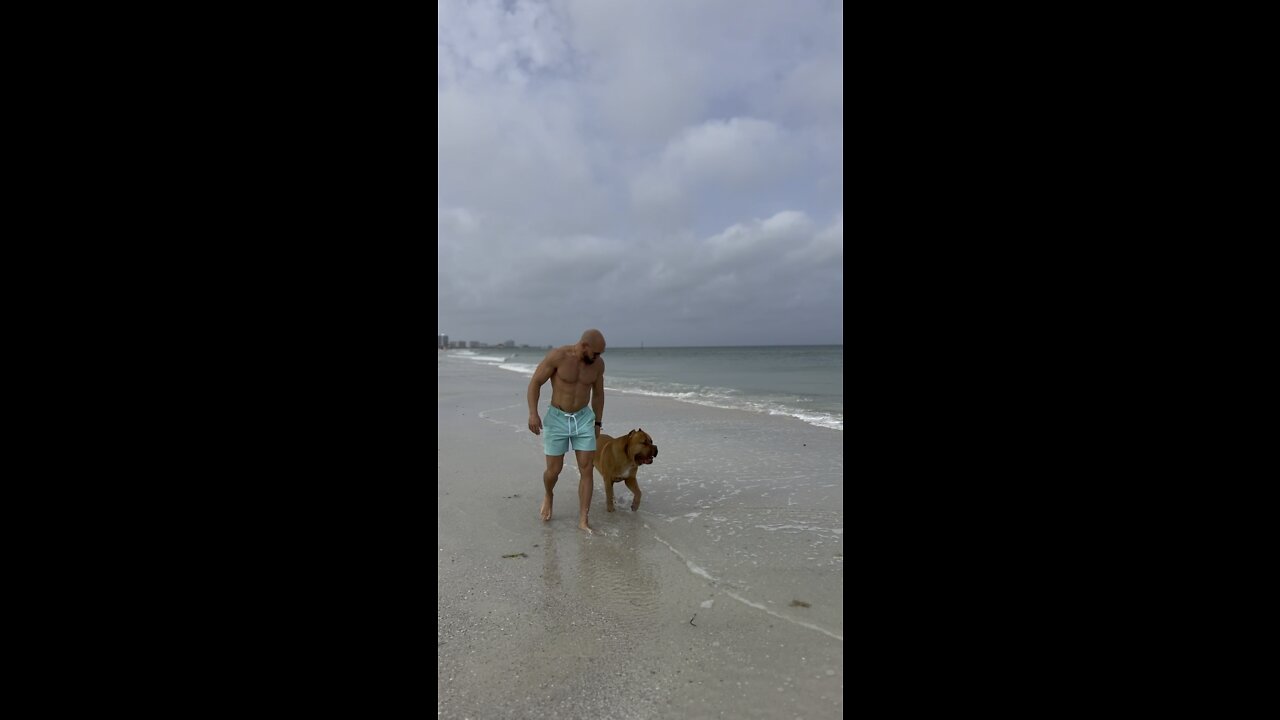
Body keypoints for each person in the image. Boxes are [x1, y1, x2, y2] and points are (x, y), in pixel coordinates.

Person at [527, 329, 606, 533]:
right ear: (584, 345)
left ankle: (583, 519)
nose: (598, 358)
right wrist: (533, 414)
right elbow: (535, 382)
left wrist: (597, 422)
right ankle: (549, 494)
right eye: (596, 353)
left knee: (586, 468)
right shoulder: (558, 356)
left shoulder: (597, 365)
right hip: (557, 418)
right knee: (554, 471)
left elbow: (598, 395)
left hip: (583, 419)